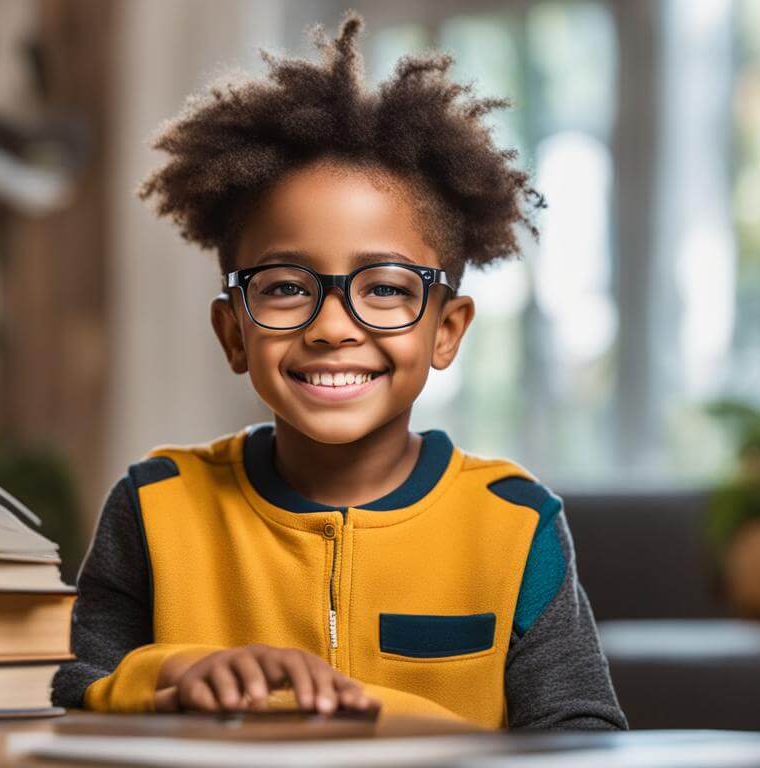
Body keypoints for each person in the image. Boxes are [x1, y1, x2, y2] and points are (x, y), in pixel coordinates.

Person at [51, 12, 625, 731]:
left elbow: (582, 735)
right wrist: (174, 669)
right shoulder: (154, 507)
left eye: (385, 287)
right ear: (234, 332)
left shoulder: (515, 523)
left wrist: (388, 719)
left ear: (447, 330)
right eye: (286, 287)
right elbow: (77, 695)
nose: (331, 326)